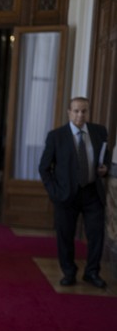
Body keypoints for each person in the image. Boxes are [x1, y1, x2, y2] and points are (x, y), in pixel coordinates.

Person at [39, 96, 110, 288]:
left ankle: (92, 272)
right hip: (66, 195)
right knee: (65, 236)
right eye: (76, 111)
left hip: (92, 193)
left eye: (84, 111)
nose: (80, 115)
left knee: (96, 235)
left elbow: (105, 160)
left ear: (88, 112)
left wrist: (105, 170)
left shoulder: (99, 132)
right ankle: (69, 273)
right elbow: (44, 168)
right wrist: (55, 192)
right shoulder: (56, 136)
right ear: (69, 112)